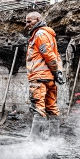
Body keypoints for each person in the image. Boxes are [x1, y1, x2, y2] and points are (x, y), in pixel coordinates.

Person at [25, 12, 64, 140]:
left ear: (38, 19)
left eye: (29, 21)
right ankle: (54, 139)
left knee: (38, 107)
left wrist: (55, 71)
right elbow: (57, 56)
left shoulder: (40, 34)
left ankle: (35, 140)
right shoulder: (49, 35)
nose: (27, 25)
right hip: (49, 78)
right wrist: (58, 72)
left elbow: (49, 55)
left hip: (39, 78)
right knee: (52, 107)